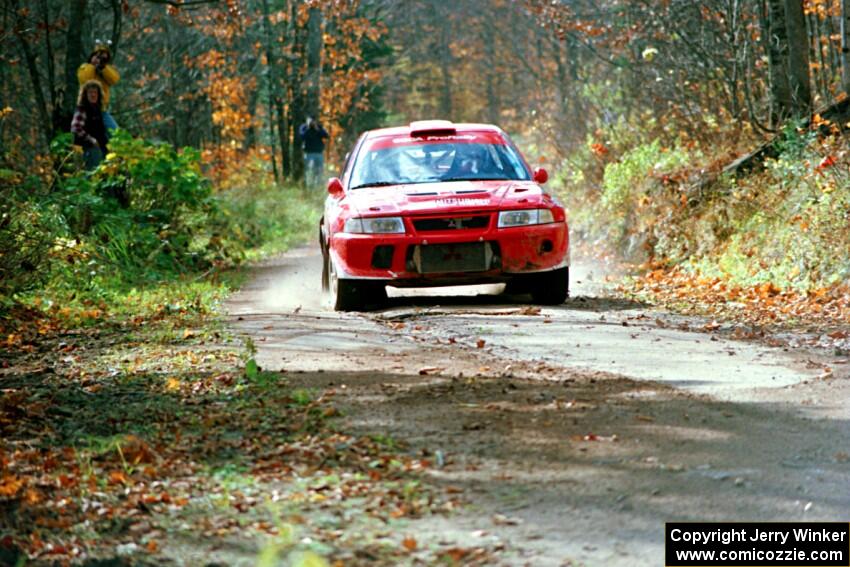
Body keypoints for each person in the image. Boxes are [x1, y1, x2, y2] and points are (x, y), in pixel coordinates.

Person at [77, 41, 120, 134]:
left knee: (116, 134)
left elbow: (114, 79)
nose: (99, 60)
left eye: (103, 58)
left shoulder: (106, 70)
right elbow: (86, 80)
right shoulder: (85, 68)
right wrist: (93, 66)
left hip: (101, 109)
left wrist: (103, 67)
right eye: (97, 56)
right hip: (87, 110)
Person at [71, 81, 109, 170]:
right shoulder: (82, 109)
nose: (93, 95)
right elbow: (76, 128)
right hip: (89, 148)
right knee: (92, 175)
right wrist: (91, 140)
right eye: (90, 92)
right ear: (85, 95)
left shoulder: (98, 110)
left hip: (101, 149)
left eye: (95, 92)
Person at [298, 117, 329, 187]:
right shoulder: (304, 127)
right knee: (309, 170)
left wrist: (317, 128)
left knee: (319, 170)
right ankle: (309, 185)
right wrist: (308, 128)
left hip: (319, 153)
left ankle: (318, 185)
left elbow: (326, 135)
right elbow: (302, 136)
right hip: (309, 153)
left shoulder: (319, 127)